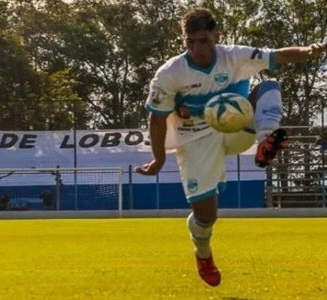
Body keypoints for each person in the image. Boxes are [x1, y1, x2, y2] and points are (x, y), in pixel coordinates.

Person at [135, 8, 326, 287]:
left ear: (216, 35)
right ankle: (203, 253)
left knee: (269, 85)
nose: (198, 49)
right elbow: (156, 118)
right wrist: (158, 159)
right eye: (191, 42)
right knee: (206, 216)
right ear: (184, 40)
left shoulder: (234, 56)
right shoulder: (170, 73)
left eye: (204, 40)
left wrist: (309, 50)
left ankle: (266, 140)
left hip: (236, 130)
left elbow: (277, 56)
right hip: (195, 140)